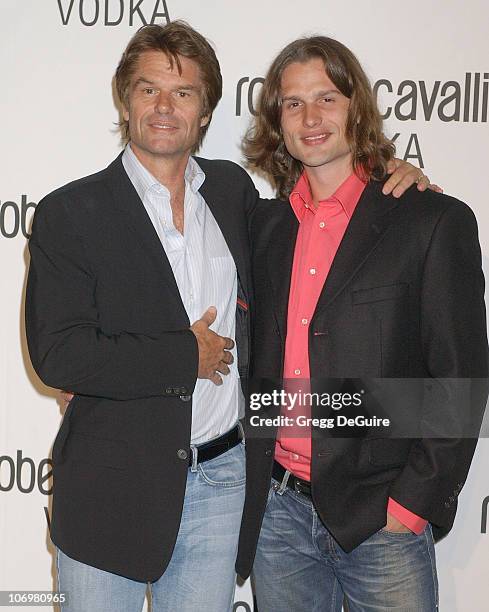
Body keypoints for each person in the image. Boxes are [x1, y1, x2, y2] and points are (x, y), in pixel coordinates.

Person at [26, 21, 433, 612]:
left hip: (222, 486)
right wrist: (181, 357)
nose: (165, 107)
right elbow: (58, 354)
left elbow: (332, 221)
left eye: (183, 93)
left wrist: (402, 176)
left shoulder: (233, 193)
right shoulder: (69, 212)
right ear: (125, 99)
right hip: (109, 488)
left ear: (206, 110)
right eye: (148, 90)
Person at [237, 35, 488, 611]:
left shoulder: (428, 219)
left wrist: (412, 503)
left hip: (383, 519)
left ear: (358, 108)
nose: (311, 117)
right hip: (279, 517)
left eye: (327, 98)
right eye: (293, 103)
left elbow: (461, 374)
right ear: (278, 120)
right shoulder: (266, 228)